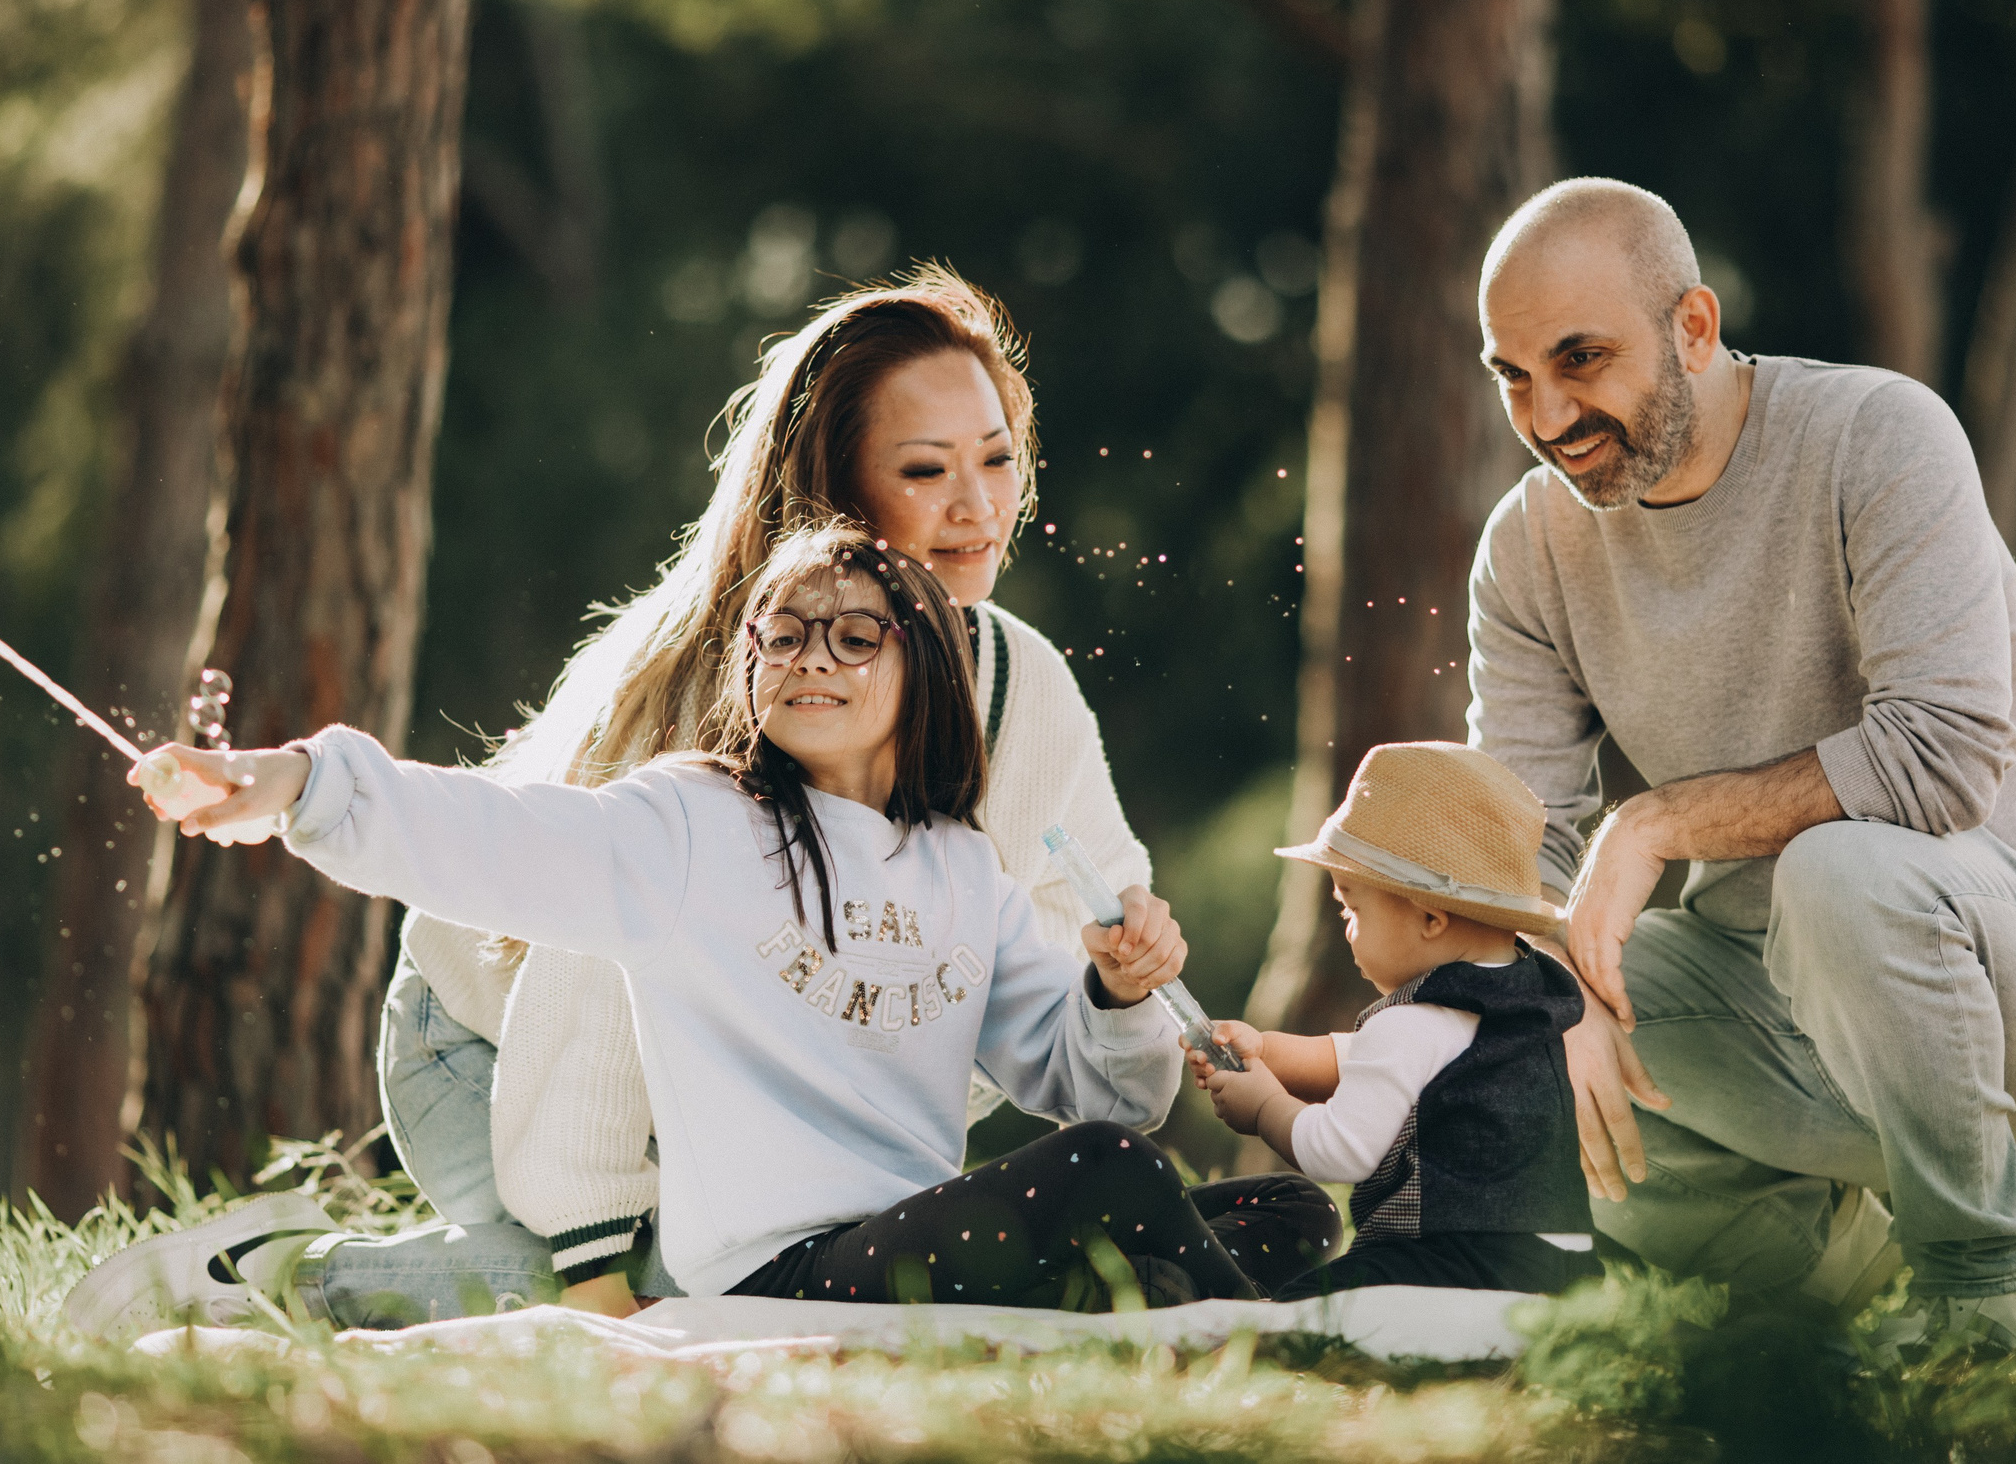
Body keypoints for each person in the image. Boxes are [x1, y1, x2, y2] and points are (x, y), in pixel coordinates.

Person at [377, 265, 1332, 1317]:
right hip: (497, 1051)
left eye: (999, 460)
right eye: (926, 471)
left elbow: (1068, 924)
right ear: (835, 492)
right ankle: (275, 1273)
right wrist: (593, 1257)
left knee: (1236, 1212)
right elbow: (590, 986)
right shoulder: (766, 679)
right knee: (598, 1290)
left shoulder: (1020, 680)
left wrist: (1124, 985)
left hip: (774, 1130)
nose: (978, 508)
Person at [71, 528, 1274, 1339]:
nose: (811, 658)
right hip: (779, 1274)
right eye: (782, 634)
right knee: (1112, 1185)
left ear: (927, 667)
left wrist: (1116, 996)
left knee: (1277, 1213)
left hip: (913, 1243)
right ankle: (1273, 1351)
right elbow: (488, 832)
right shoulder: (697, 821)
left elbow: (1102, 1091)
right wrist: (293, 782)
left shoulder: (967, 871)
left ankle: (1200, 1314)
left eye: (854, 635)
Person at [1466, 177, 2016, 1350]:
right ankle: (1832, 1302)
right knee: (1500, 1027)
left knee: (1840, 872)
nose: (1547, 414)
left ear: (1693, 327)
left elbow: (1939, 761)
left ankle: (1988, 1301)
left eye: (1581, 360)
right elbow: (1519, 838)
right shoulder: (1529, 547)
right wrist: (1547, 984)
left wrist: (1654, 826)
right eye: (1513, 376)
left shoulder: (1877, 436)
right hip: (1775, 1013)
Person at [1190, 742, 1600, 1299]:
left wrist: (1264, 1107)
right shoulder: (1519, 1000)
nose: (1346, 928)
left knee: (1294, 1310)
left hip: (1448, 1269)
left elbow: (1340, 1150)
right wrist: (1266, 1050)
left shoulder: (1414, 1021)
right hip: (1557, 1271)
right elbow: (1361, 1059)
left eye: (1351, 908)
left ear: (1430, 918)